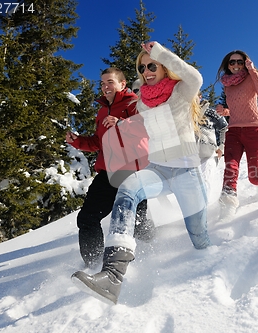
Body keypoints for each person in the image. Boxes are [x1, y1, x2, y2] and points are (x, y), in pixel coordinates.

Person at [71, 41, 211, 305]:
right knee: (127, 191)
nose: (146, 70)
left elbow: (196, 76)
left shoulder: (182, 92)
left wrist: (159, 52)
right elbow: (136, 128)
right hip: (156, 171)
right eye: (142, 67)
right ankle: (112, 276)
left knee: (200, 238)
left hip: (186, 173)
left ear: (165, 67)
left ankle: (211, 274)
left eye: (152, 65)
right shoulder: (144, 104)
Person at [65, 67, 150, 268]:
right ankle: (94, 265)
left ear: (123, 84)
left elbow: (147, 128)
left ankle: (150, 256)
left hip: (133, 170)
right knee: (87, 218)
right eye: (102, 83)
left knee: (135, 222)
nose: (105, 87)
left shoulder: (134, 103)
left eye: (110, 82)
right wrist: (77, 142)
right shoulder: (102, 110)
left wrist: (121, 123)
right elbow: (97, 142)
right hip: (107, 171)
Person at [215, 50, 258, 219]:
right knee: (230, 167)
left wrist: (253, 71)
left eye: (240, 62)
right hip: (234, 132)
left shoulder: (251, 77)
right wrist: (225, 111)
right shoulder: (227, 84)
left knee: (254, 177)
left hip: (254, 131)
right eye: (232, 62)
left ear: (245, 62)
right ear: (227, 65)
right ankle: (228, 204)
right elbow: (238, 107)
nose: (236, 65)